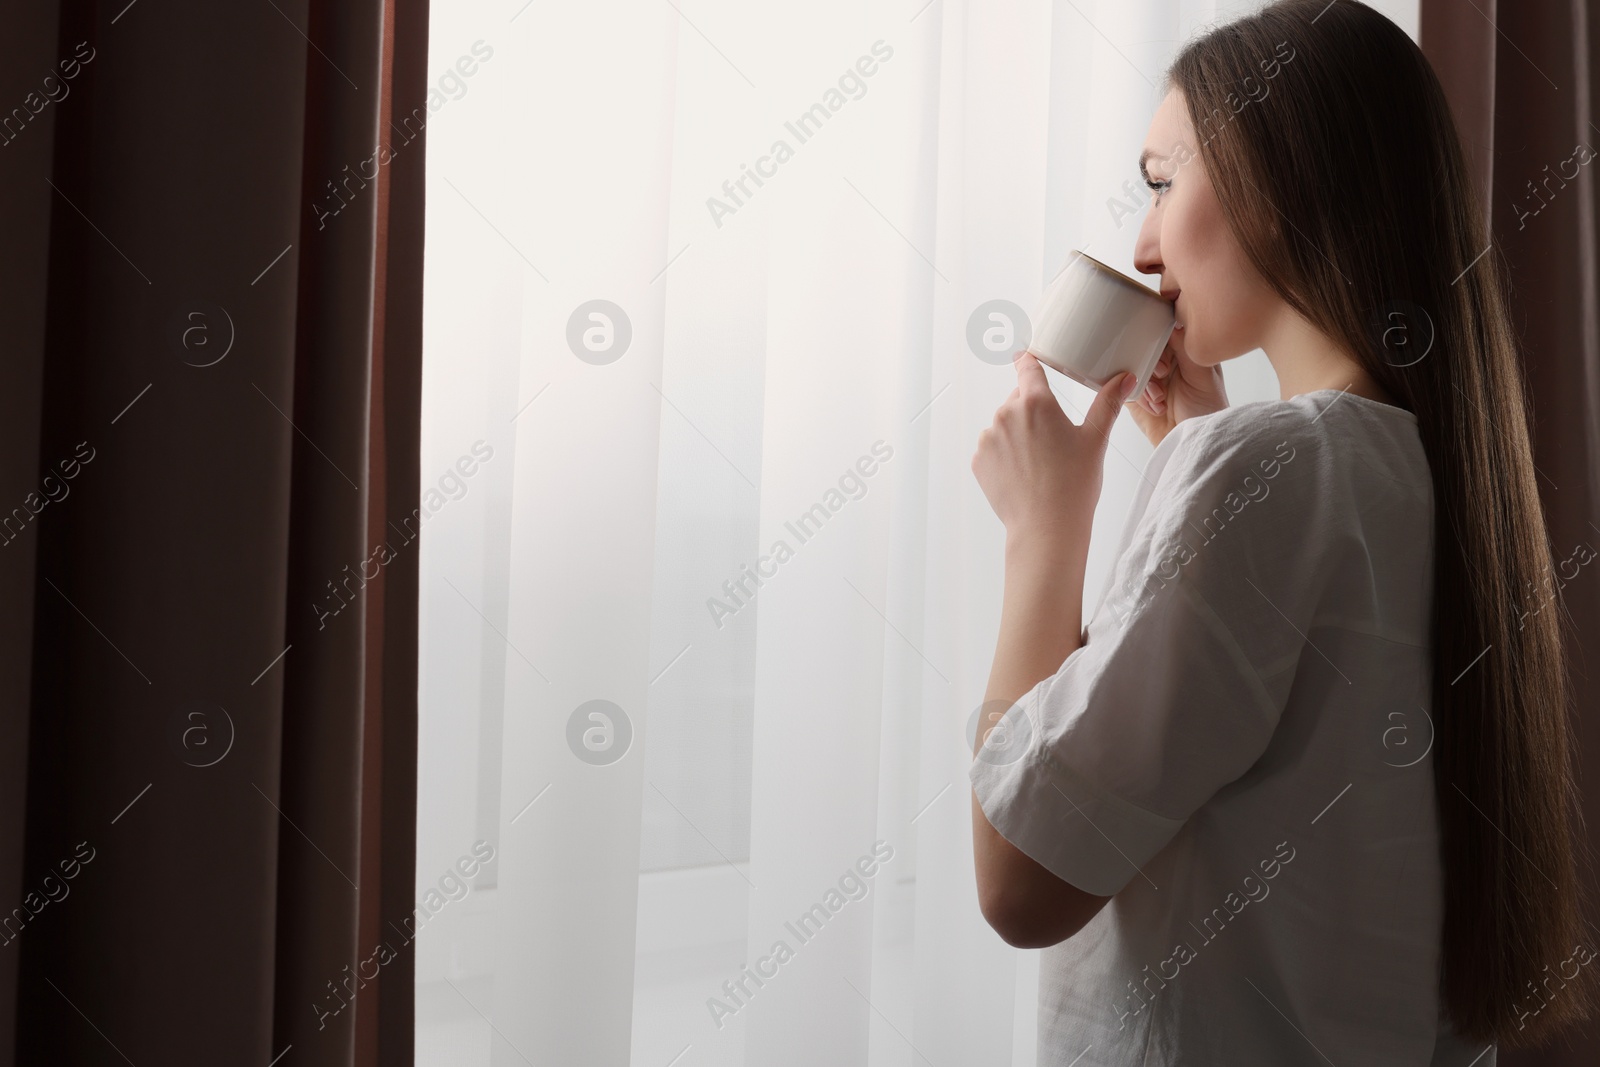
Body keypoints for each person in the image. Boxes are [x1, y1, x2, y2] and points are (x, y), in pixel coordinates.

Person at [966, 1, 1597, 1064]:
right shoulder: (1431, 475)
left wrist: (1044, 531)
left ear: (1280, 166)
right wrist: (1194, 451)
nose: (1140, 239)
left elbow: (1021, 882)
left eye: (1162, 181)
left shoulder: (1261, 470)